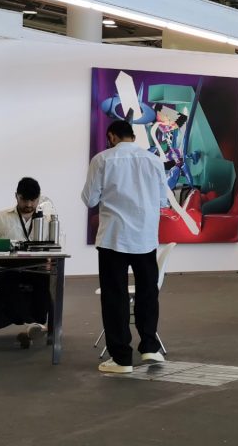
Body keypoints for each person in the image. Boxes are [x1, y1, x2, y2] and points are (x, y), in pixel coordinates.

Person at [82, 120, 169, 374]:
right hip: (145, 237)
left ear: (111, 136)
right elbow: (162, 200)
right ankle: (150, 347)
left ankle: (121, 359)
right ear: (132, 135)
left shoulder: (102, 160)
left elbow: (90, 199)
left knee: (115, 297)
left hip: (114, 237)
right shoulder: (154, 161)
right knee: (147, 293)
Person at [0, 177, 50, 349]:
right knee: (9, 281)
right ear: (16, 196)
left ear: (39, 198)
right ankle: (33, 325)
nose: (29, 204)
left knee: (45, 282)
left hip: (36, 269)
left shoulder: (47, 220)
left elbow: (56, 245)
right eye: (24, 199)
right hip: (4, 268)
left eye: (33, 200)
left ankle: (34, 325)